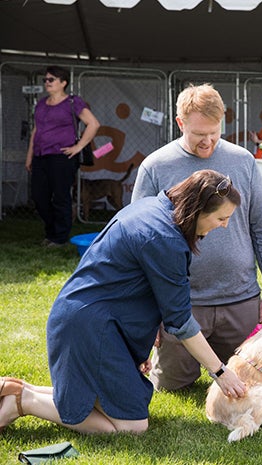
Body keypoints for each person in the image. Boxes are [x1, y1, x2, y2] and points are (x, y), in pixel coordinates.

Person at [0, 170, 247, 434]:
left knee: (121, 405)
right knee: (132, 426)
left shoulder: (153, 206)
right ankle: (23, 401)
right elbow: (181, 321)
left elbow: (140, 285)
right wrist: (219, 371)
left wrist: (139, 341)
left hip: (84, 316)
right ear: (198, 209)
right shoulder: (164, 239)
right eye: (222, 218)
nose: (224, 226)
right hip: (88, 327)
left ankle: (18, 389)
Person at [131, 83, 262, 393]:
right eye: (199, 134)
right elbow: (137, 243)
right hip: (181, 305)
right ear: (180, 123)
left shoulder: (242, 161)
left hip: (240, 299)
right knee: (172, 387)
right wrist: (147, 313)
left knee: (256, 382)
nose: (209, 141)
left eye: (215, 131)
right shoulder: (156, 167)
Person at [25, 65, 100, 247]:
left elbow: (93, 124)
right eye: (45, 80)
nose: (47, 83)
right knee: (39, 196)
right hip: (40, 156)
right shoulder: (41, 104)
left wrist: (78, 146)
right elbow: (36, 130)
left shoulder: (73, 102)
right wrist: (30, 155)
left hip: (61, 157)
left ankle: (59, 238)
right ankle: (51, 233)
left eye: (51, 79)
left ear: (63, 83)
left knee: (60, 197)